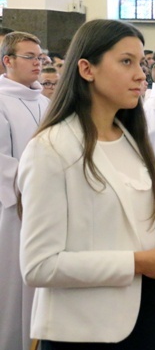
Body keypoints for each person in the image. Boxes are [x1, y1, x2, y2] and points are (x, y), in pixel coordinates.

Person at [18, 19, 155, 350]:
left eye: (141, 63)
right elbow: (39, 265)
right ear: (87, 69)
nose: (141, 75)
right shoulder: (52, 148)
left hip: (145, 316)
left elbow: (135, 218)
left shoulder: (129, 138)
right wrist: (139, 262)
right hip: (85, 331)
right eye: (126, 62)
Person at [0, 31, 50, 350]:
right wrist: (36, 181)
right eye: (29, 57)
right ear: (8, 61)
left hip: (46, 207)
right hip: (13, 211)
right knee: (13, 287)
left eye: (39, 57)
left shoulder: (45, 101)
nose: (38, 63)